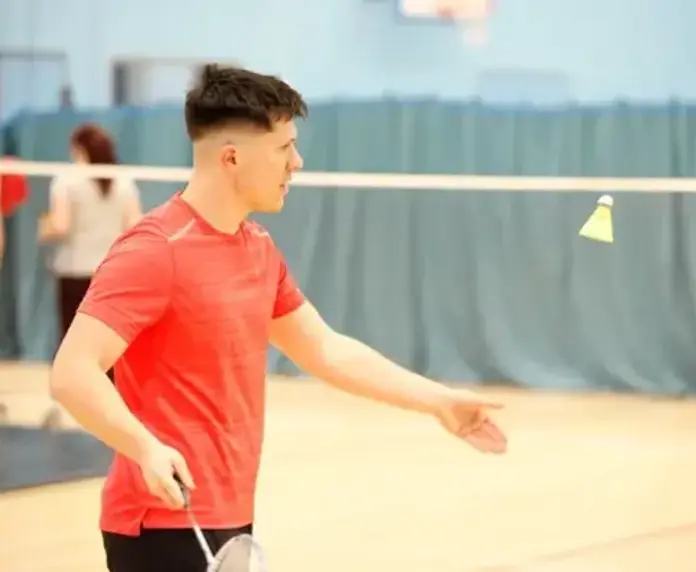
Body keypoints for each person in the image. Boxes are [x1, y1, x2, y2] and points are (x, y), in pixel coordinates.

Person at [49, 64, 508, 572]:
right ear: (231, 158)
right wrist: (145, 448)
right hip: (161, 519)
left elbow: (325, 348)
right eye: (284, 148)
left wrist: (438, 400)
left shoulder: (258, 249)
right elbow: (72, 373)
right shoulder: (155, 250)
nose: (297, 162)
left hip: (231, 513)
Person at [39, 123, 142, 350]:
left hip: (75, 272)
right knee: (110, 345)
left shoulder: (66, 180)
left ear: (78, 149)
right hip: (112, 272)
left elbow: (60, 225)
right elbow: (135, 225)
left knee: (74, 345)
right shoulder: (124, 181)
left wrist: (44, 228)